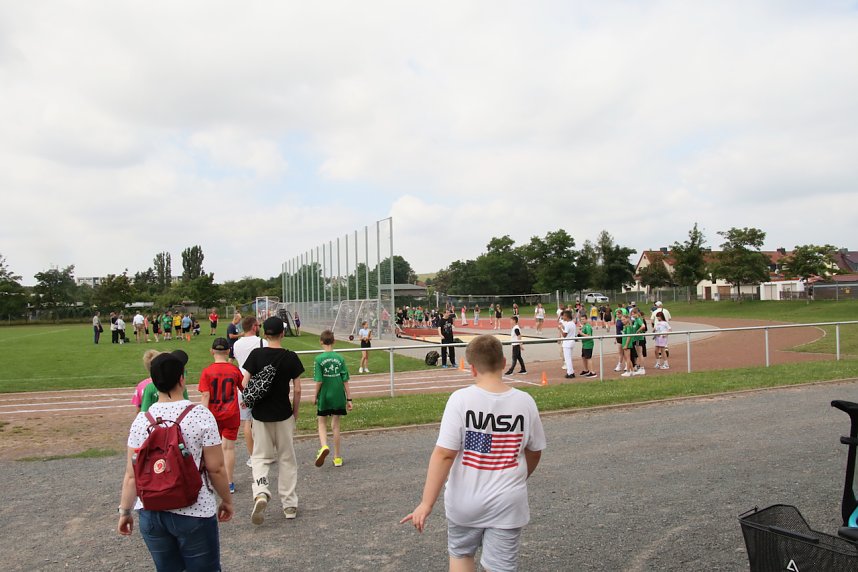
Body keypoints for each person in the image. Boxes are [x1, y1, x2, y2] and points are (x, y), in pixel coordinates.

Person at [400, 335, 546, 572]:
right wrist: (517, 477)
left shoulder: (460, 400)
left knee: (461, 556)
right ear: (503, 362)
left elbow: (445, 454)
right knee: (500, 567)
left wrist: (426, 503)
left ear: (472, 368)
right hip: (507, 503)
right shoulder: (525, 402)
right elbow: (534, 450)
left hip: (465, 501)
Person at [117, 350, 233, 571]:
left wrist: (125, 511)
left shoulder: (142, 420)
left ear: (153, 382)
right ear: (182, 378)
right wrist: (226, 500)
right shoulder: (200, 414)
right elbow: (216, 468)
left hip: (151, 511)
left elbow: (132, 474)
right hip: (194, 509)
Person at [242, 316, 304, 524]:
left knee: (260, 457)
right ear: (283, 333)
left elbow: (244, 383)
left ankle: (261, 490)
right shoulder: (290, 357)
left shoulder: (256, 355)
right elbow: (298, 389)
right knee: (287, 458)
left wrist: (251, 403)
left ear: (264, 333)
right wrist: (295, 412)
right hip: (283, 414)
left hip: (260, 415)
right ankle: (289, 505)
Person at [199, 338, 243, 495]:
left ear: (212, 352)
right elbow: (244, 388)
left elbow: (205, 395)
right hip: (231, 413)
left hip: (213, 414)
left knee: (212, 449)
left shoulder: (207, 371)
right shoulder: (234, 370)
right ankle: (229, 481)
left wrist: (202, 416)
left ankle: (212, 480)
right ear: (227, 352)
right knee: (229, 448)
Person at [313, 330, 353, 468]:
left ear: (321, 342)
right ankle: (337, 457)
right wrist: (349, 399)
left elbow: (319, 381)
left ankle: (324, 446)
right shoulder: (340, 358)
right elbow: (345, 380)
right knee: (336, 426)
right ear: (334, 341)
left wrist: (315, 396)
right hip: (338, 394)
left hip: (325, 394)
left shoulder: (318, 359)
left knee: (322, 423)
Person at [233, 316, 268, 469]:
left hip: (242, 383)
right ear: (254, 327)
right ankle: (263, 453)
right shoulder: (262, 342)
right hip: (258, 382)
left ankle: (253, 456)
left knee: (247, 422)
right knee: (261, 421)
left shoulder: (236, 344)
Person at [559, 309, 577, 379]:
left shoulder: (568, 324)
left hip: (567, 343)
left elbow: (564, 335)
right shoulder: (572, 323)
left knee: (567, 359)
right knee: (569, 358)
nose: (563, 317)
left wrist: (560, 329)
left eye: (564, 316)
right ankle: (571, 371)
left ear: (567, 316)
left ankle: (570, 373)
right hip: (572, 341)